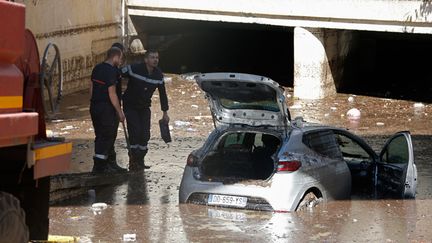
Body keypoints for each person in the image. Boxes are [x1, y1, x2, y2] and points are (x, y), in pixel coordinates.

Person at [122, 50, 170, 171]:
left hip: (144, 107)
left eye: (157, 58)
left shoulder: (158, 75)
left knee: (145, 134)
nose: (155, 60)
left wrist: (165, 112)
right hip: (131, 106)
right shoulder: (135, 69)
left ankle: (140, 160)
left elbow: (162, 94)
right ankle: (133, 160)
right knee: (135, 132)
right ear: (146, 60)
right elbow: (117, 74)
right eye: (152, 57)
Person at [89, 47, 127, 173]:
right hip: (107, 108)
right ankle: (100, 167)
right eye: (120, 58)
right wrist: (119, 111)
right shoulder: (111, 71)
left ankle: (110, 164)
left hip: (95, 106)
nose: (120, 61)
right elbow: (112, 94)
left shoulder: (97, 68)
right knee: (107, 135)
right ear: (115, 57)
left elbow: (91, 89)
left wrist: (94, 104)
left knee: (100, 134)